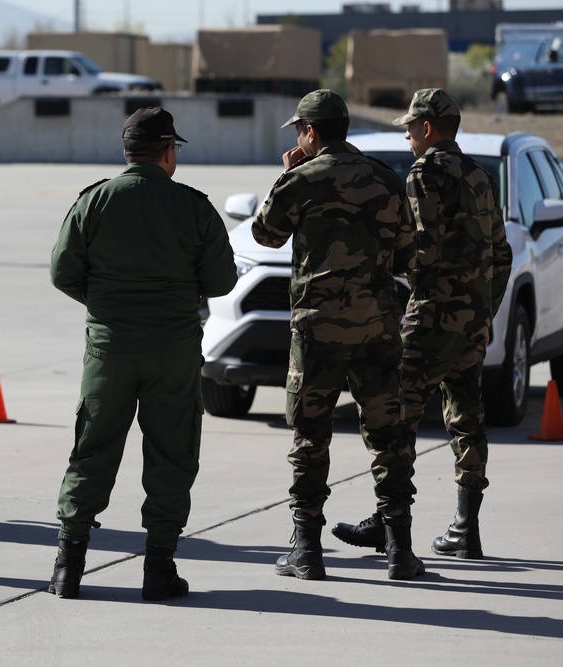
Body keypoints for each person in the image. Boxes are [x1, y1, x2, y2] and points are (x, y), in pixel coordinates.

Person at [47, 107, 237, 601]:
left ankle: (68, 568)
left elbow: (63, 272)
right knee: (171, 456)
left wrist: (108, 305)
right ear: (169, 151)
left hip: (109, 349)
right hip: (173, 350)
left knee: (92, 449)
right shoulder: (194, 207)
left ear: (127, 150)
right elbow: (221, 281)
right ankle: (158, 569)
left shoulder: (95, 201)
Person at [333, 89, 512, 560]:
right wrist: (484, 312)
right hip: (471, 321)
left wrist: (375, 258)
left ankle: (390, 524)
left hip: (432, 314)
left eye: (410, 128)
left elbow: (421, 249)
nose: (408, 135)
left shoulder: (424, 173)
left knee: (394, 416)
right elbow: (501, 252)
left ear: (428, 128)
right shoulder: (479, 175)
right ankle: (465, 528)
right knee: (467, 418)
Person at [252, 89, 423, 581]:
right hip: (376, 327)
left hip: (317, 330)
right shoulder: (385, 179)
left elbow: (265, 234)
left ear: (310, 132)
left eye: (300, 133)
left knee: (310, 436)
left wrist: (287, 174)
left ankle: (306, 549)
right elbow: (410, 256)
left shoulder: (301, 179)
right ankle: (399, 550)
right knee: (388, 435)